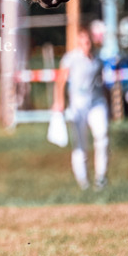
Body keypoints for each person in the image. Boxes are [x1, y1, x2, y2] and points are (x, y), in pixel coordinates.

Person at [52, 26, 110, 190]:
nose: (87, 43)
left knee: (102, 136)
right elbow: (60, 81)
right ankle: (83, 181)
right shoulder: (71, 58)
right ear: (79, 41)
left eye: (89, 39)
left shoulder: (98, 59)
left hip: (97, 103)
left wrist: (109, 103)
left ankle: (101, 178)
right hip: (78, 105)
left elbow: (103, 83)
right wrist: (59, 102)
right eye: (84, 39)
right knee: (80, 143)